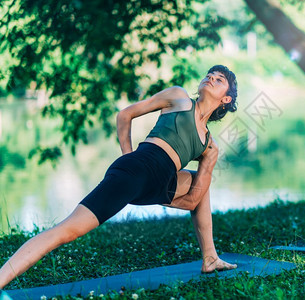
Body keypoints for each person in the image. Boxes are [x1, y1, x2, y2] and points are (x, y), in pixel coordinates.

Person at [0, 65, 238, 291]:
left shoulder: (209, 147)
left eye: (219, 80)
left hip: (160, 183)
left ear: (225, 100)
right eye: (209, 74)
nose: (210, 78)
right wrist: (129, 157)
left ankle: (210, 258)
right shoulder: (179, 98)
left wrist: (159, 192)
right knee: (67, 231)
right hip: (135, 171)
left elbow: (194, 199)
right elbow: (126, 115)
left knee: (201, 184)